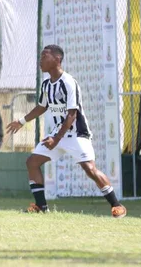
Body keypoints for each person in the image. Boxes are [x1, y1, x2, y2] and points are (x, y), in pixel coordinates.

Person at [7, 45, 127, 218]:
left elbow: (72, 114)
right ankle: (41, 206)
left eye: (44, 56)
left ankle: (117, 205)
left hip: (77, 133)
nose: (40, 60)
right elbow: (42, 107)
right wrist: (21, 121)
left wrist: (56, 139)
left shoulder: (69, 82)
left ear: (57, 59)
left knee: (89, 169)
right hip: (58, 133)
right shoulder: (47, 84)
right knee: (32, 162)